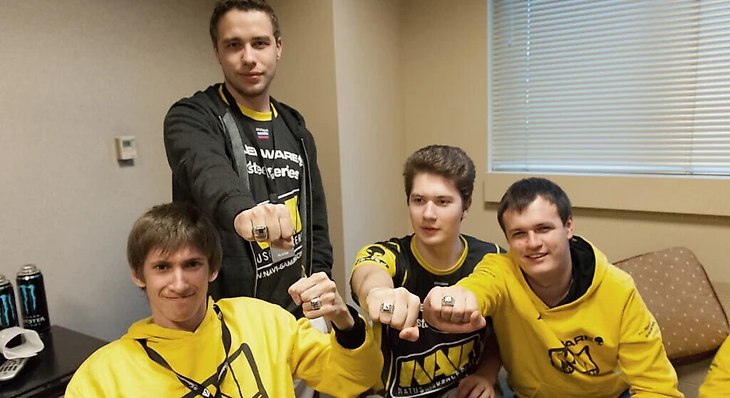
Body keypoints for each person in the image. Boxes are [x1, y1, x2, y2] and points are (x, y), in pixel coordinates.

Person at [65, 203, 381, 397]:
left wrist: (345, 323)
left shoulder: (264, 322)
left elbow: (354, 378)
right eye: (162, 267)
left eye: (192, 264)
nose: (179, 283)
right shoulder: (103, 377)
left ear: (213, 269)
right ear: (138, 275)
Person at [422, 177, 683, 398]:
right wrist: (449, 299)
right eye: (519, 234)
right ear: (508, 239)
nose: (533, 243)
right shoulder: (500, 271)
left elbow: (657, 388)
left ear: (568, 226)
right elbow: (475, 289)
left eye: (543, 228)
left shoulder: (618, 289)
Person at [163, 0, 333, 318]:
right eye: (233, 45)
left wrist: (320, 283)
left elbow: (316, 223)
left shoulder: (295, 126)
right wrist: (243, 211)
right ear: (217, 51)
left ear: (278, 47)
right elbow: (207, 171)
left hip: (295, 316)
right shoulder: (193, 117)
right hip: (223, 319)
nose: (248, 57)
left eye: (259, 43)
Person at [350, 145, 504, 398]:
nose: (428, 214)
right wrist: (378, 293)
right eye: (419, 200)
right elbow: (368, 273)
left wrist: (486, 376)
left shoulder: (492, 259)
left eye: (443, 202)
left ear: (466, 206)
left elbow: (503, 332)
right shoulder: (388, 254)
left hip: (460, 390)